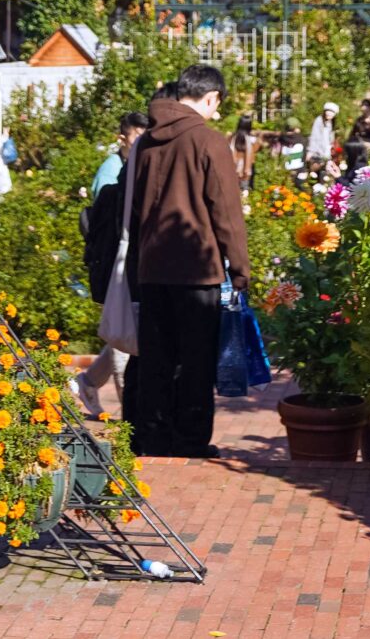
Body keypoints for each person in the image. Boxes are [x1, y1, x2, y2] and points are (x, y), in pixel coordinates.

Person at [123, 63, 249, 457]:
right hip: (198, 268)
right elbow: (226, 211)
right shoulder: (208, 141)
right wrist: (240, 267)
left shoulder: (145, 143)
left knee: (156, 358)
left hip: (151, 267)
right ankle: (190, 439)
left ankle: (153, 435)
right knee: (195, 361)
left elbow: (134, 209)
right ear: (210, 98)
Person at [76, 109, 151, 418]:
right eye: (136, 137)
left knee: (124, 333)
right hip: (114, 266)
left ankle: (88, 381)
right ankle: (129, 413)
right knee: (123, 340)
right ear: (122, 138)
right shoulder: (112, 171)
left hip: (130, 265)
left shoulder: (134, 165)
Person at [305, 101, 338, 179]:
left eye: (331, 112)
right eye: (327, 111)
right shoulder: (319, 120)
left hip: (326, 152)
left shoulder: (331, 123)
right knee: (315, 172)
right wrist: (310, 151)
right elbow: (314, 136)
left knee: (325, 173)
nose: (329, 113)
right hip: (317, 152)